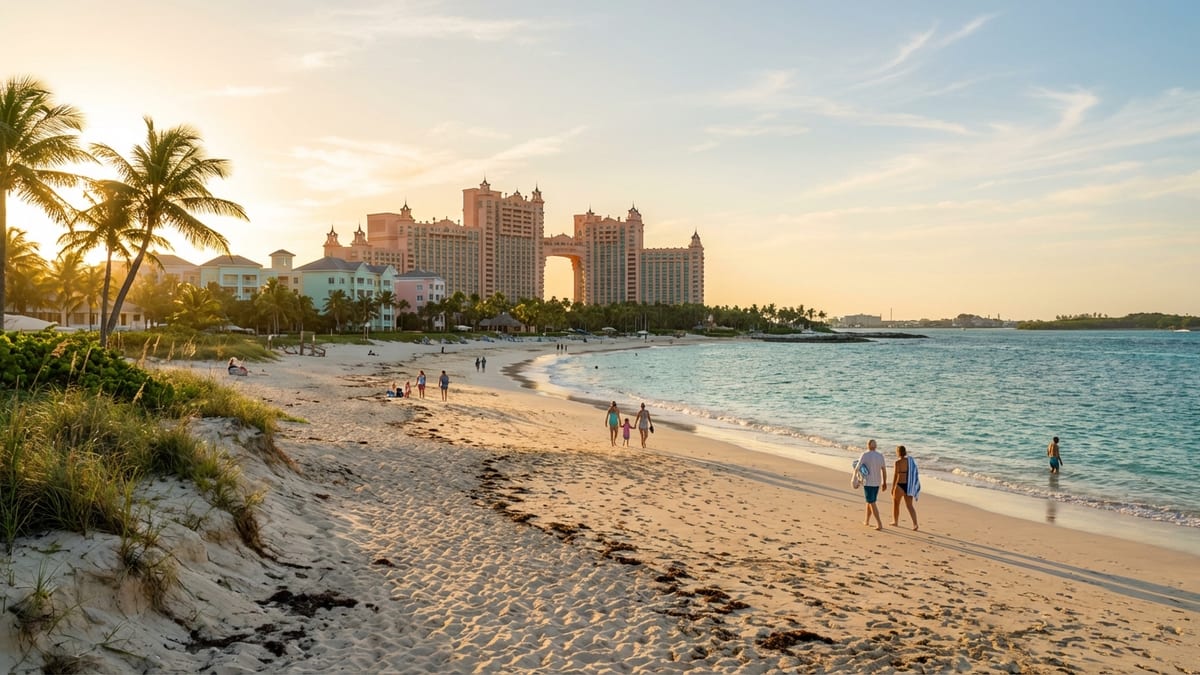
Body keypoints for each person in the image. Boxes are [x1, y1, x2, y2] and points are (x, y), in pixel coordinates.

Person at [857, 439, 888, 530]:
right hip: (877, 483)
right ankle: (866, 520)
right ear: (876, 446)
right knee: (869, 501)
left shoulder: (865, 455)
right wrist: (884, 482)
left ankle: (879, 523)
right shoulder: (880, 456)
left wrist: (857, 479)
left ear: (868, 446)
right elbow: (884, 470)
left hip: (868, 482)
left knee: (872, 502)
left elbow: (858, 467)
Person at [891, 445, 920, 531]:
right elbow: (914, 472)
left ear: (898, 453)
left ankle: (895, 521)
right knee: (910, 506)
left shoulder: (897, 462)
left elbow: (896, 475)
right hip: (909, 485)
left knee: (896, 504)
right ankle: (915, 524)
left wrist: (893, 487)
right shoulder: (910, 462)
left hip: (900, 484)